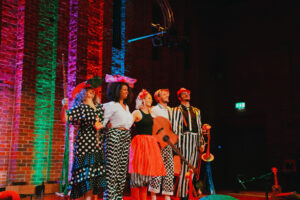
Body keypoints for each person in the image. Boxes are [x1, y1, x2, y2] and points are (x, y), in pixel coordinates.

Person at [61, 76, 106, 200]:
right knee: (86, 175)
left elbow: (103, 122)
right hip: (84, 144)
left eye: (93, 89)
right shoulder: (81, 107)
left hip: (97, 143)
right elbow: (66, 118)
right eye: (88, 89)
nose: (92, 90)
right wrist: (64, 106)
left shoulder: (99, 108)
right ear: (83, 92)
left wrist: (101, 126)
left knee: (94, 175)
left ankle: (90, 198)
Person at [103, 74, 136, 200]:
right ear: (117, 91)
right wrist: (107, 129)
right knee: (112, 170)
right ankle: (110, 197)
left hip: (126, 136)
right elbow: (103, 122)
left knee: (122, 171)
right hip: (114, 135)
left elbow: (127, 124)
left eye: (127, 90)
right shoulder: (110, 105)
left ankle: (118, 197)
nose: (126, 92)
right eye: (123, 89)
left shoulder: (126, 107)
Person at [129, 89, 167, 200]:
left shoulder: (152, 112)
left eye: (151, 98)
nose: (151, 100)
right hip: (140, 144)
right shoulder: (137, 112)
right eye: (148, 98)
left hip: (150, 145)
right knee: (137, 175)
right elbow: (128, 124)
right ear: (143, 100)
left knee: (146, 176)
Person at [171, 88, 202, 200]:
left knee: (193, 168)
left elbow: (199, 127)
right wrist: (177, 144)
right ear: (179, 97)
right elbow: (175, 127)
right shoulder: (176, 110)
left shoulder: (196, 111)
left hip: (195, 139)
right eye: (184, 94)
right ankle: (183, 195)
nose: (186, 95)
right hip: (184, 138)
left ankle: (188, 193)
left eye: (188, 93)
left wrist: (201, 142)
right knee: (185, 167)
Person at [149, 89, 174, 200]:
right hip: (158, 142)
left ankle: (167, 194)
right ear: (158, 97)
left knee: (169, 168)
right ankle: (154, 194)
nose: (167, 95)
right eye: (164, 94)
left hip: (169, 142)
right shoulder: (154, 109)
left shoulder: (170, 110)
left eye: (167, 94)